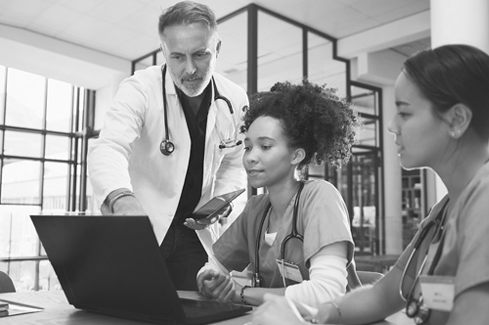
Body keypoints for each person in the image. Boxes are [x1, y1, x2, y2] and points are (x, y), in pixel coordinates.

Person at [249, 44, 489, 325]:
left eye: (405, 113)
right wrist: (322, 314)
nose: (391, 124)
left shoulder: (484, 202)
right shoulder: (444, 212)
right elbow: (381, 296)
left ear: (457, 120)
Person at [87, 1, 248, 290]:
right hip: (143, 226)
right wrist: (122, 200)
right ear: (163, 51)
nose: (190, 69)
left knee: (195, 310)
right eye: (177, 57)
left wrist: (222, 201)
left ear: (218, 48)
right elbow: (109, 148)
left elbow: (235, 162)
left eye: (201, 54)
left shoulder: (235, 99)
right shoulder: (139, 88)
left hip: (194, 232)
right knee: (130, 308)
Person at [196, 80, 360, 306]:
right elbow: (214, 265)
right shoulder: (256, 209)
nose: (250, 157)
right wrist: (209, 280)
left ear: (296, 156)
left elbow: (327, 294)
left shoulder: (320, 197)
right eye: (247, 146)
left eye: (265, 146)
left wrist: (241, 293)